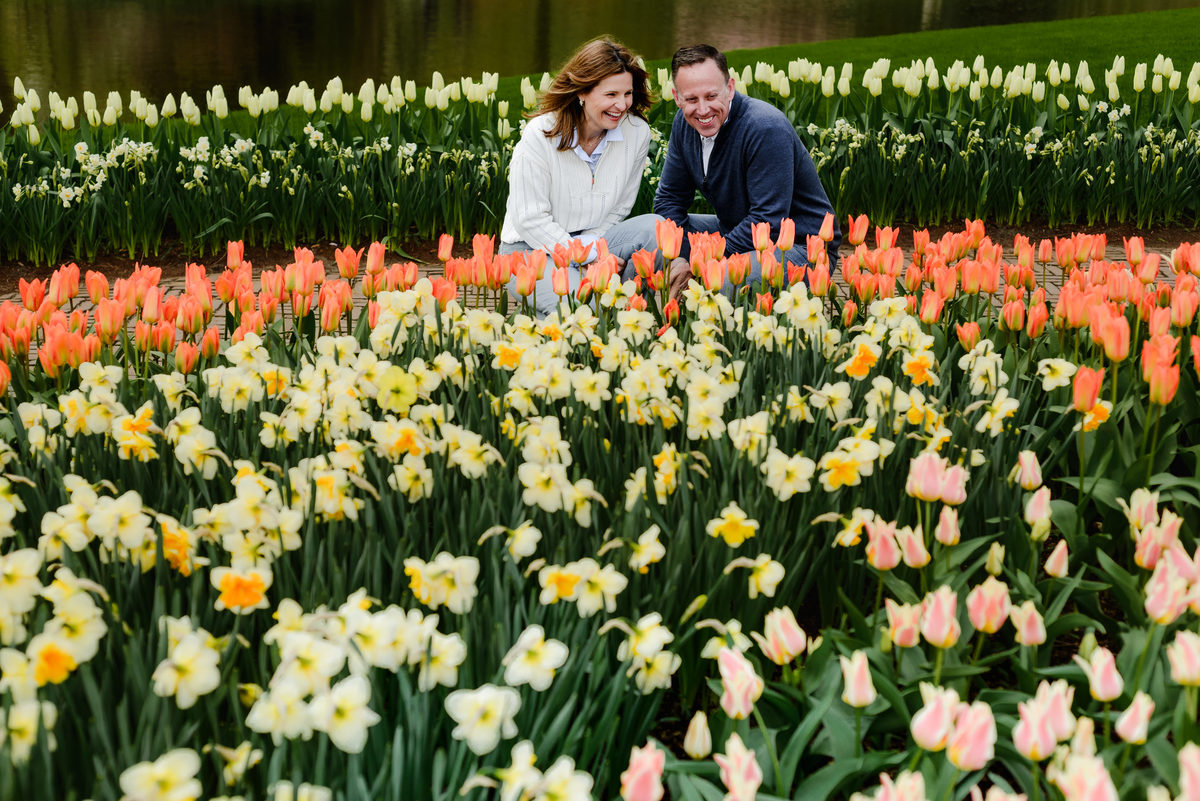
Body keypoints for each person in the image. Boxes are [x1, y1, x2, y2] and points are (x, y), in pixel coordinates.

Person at [653, 44, 840, 297]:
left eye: (711, 96)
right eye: (691, 99)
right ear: (677, 97)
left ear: (729, 88)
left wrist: (702, 261)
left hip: (800, 246)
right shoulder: (685, 124)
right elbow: (669, 200)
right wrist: (679, 256)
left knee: (720, 281)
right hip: (737, 232)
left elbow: (768, 221)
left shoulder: (764, 128)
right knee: (649, 240)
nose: (703, 110)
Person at [500, 37, 658, 315]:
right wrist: (585, 257)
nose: (621, 105)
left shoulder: (636, 132)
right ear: (582, 92)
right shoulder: (540, 135)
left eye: (627, 94)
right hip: (531, 248)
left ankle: (626, 299)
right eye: (610, 95)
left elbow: (620, 206)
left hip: (595, 240)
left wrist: (594, 251)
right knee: (582, 307)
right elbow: (529, 218)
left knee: (654, 228)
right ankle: (571, 307)